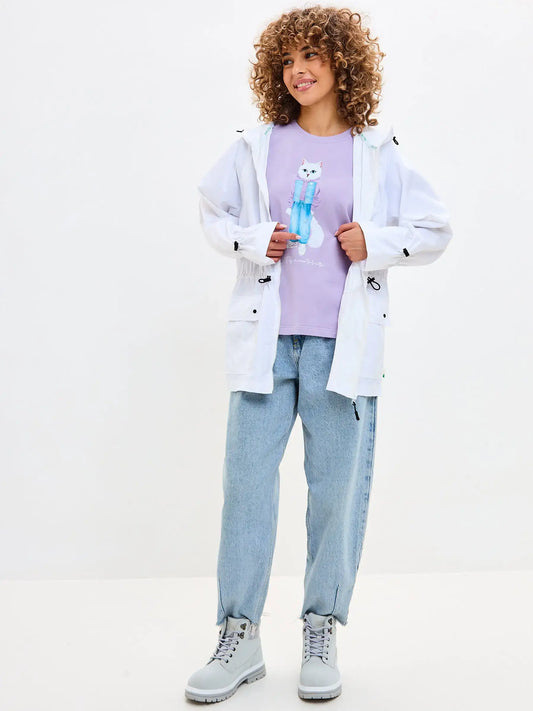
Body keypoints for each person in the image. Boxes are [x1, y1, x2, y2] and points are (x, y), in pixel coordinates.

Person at [185, 4, 452, 704]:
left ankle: (320, 627)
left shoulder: (377, 150)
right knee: (247, 485)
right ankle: (239, 634)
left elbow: (434, 228)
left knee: (334, 491)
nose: (297, 69)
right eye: (287, 59)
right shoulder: (256, 145)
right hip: (265, 341)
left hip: (342, 346)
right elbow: (212, 210)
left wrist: (377, 243)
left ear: (343, 64)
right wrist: (251, 238)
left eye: (312, 55)